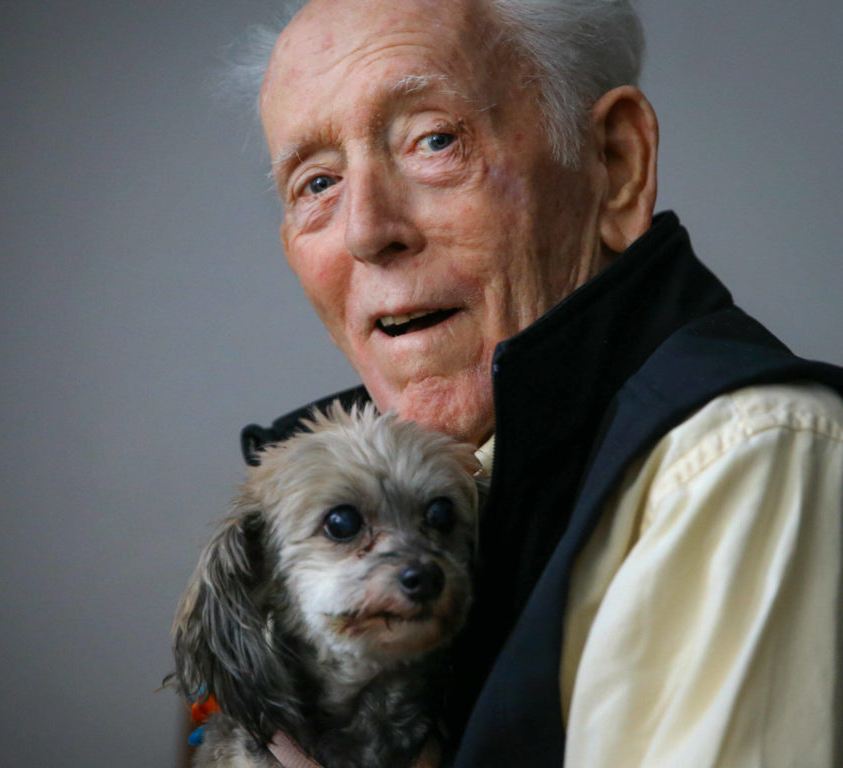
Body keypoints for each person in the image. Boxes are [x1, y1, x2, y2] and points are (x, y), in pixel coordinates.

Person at [231, 0, 843, 765]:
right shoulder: (327, 502)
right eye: (317, 183)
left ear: (614, 164)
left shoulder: (742, 457)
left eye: (433, 139)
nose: (365, 229)